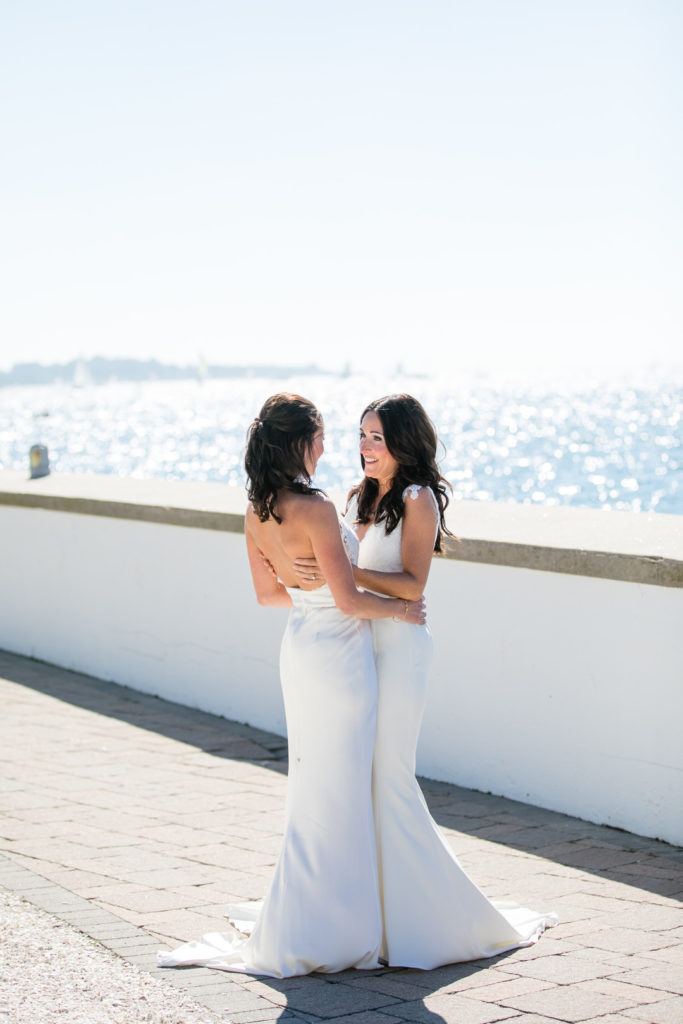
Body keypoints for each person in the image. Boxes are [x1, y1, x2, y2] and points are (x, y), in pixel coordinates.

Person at [158, 392, 425, 978]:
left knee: (312, 785)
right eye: (324, 435)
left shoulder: (257, 510)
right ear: (300, 443)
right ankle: (338, 929)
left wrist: (314, 595)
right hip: (340, 661)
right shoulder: (319, 509)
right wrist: (400, 612)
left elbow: (268, 595)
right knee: (343, 785)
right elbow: (351, 600)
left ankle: (310, 918)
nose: (331, 446)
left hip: (301, 650)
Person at [295, 393, 557, 968]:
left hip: (404, 645)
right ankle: (372, 915)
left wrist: (344, 572)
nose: (365, 447)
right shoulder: (357, 496)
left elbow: (413, 585)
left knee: (390, 774)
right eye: (361, 435)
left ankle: (427, 918)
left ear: (403, 443)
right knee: (360, 775)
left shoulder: (418, 500)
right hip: (359, 646)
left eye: (377, 438)